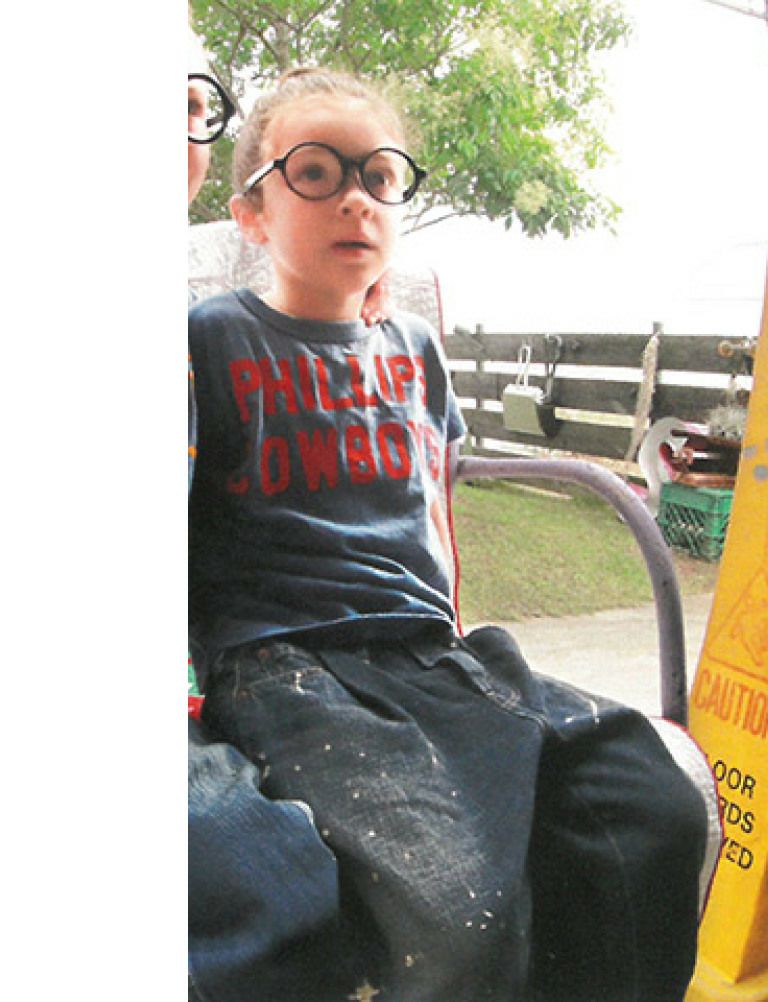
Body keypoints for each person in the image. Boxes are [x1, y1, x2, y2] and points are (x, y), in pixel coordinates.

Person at [189, 66, 710, 1001]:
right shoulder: (211, 337)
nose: (355, 197)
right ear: (252, 216)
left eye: (379, 176)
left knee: (651, 804)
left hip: (430, 653)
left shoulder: (416, 348)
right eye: (316, 173)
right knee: (456, 909)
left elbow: (434, 508)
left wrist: (452, 629)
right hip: (289, 662)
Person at [187, 35, 347, 1002]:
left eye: (187, 106)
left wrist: (337, 303)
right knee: (275, 881)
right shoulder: (210, 332)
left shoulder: (187, 334)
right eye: (315, 176)